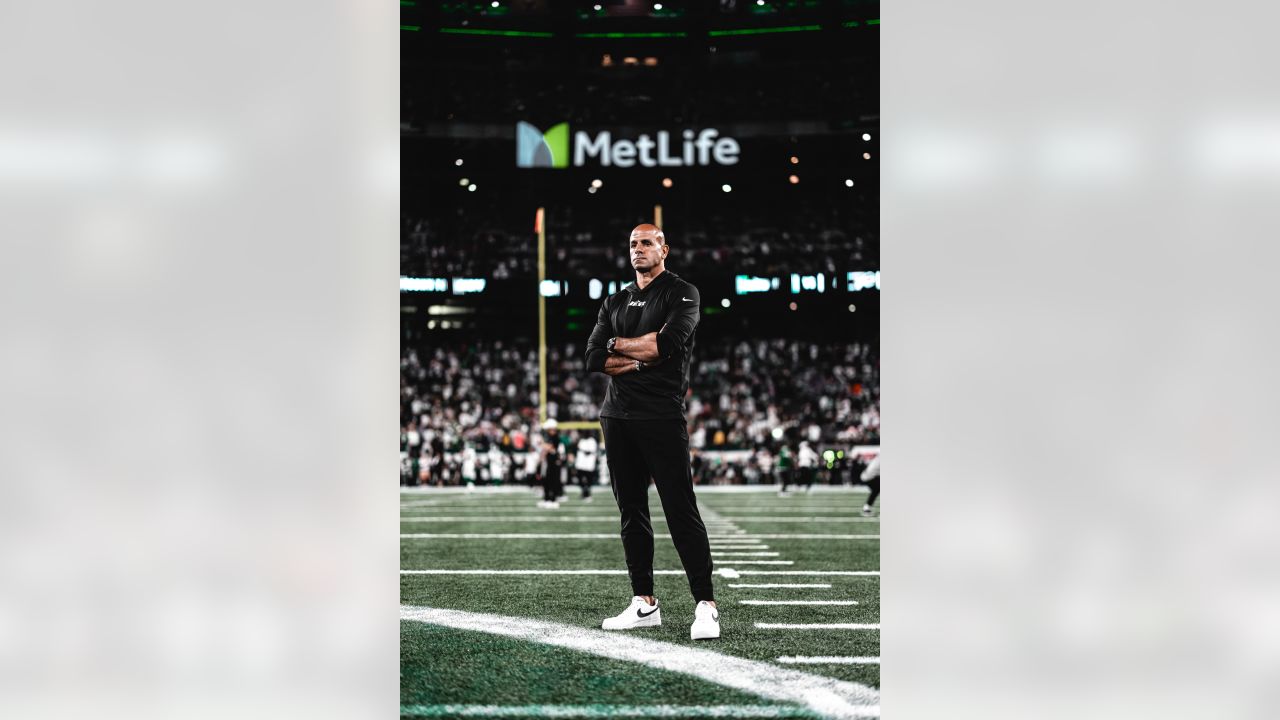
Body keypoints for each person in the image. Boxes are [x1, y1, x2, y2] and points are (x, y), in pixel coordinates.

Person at [584, 223, 719, 641]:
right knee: (631, 512)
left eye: (646, 242)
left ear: (664, 248)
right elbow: (593, 357)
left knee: (680, 509)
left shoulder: (683, 292)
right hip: (617, 416)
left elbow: (666, 345)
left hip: (661, 414)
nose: (638, 249)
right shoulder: (615, 299)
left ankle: (706, 605)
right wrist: (640, 355)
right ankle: (644, 602)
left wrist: (620, 346)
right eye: (632, 244)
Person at [573, 431, 600, 501]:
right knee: (580, 480)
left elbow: (589, 451)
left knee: (589, 481)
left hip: (589, 465)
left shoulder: (592, 441)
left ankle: (587, 494)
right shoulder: (581, 441)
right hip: (581, 464)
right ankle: (584, 492)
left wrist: (582, 450)